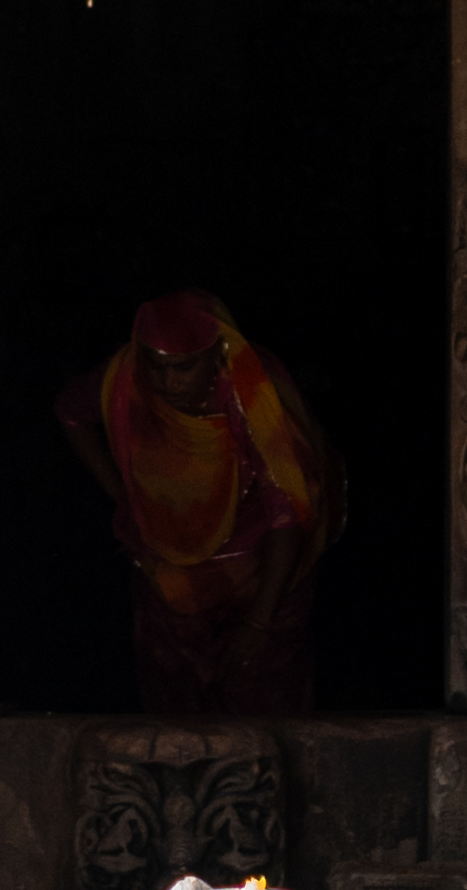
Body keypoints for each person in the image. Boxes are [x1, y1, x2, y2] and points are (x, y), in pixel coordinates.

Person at [60, 290, 343, 718]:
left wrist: (259, 622)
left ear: (216, 354)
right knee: (176, 710)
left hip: (263, 572)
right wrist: (123, 494)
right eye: (156, 366)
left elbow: (288, 508)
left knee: (265, 709)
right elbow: (71, 411)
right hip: (173, 572)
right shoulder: (127, 376)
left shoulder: (250, 390)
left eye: (183, 368)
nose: (167, 382)